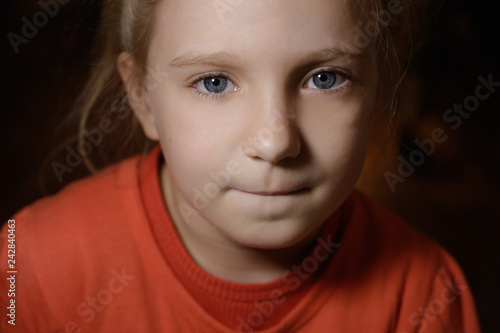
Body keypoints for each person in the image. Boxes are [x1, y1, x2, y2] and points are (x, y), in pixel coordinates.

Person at [1, 0, 481, 332]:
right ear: (142, 97)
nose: (274, 141)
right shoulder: (32, 266)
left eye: (325, 77)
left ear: (379, 89)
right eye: (213, 82)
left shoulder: (422, 297)